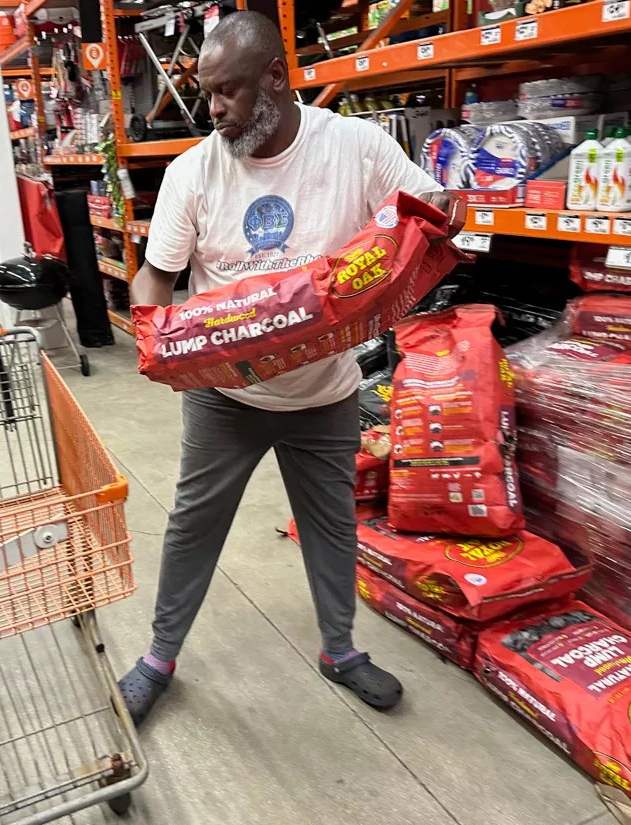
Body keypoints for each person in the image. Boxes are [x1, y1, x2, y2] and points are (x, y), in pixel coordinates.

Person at [119, 11, 465, 724]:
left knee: (332, 521)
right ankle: (159, 655)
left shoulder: (355, 147)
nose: (214, 110)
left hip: (326, 389)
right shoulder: (193, 170)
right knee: (193, 521)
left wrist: (445, 210)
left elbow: (426, 204)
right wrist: (151, 334)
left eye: (230, 92)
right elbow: (155, 279)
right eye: (206, 92)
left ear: (277, 77)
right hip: (225, 396)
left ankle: (340, 649)